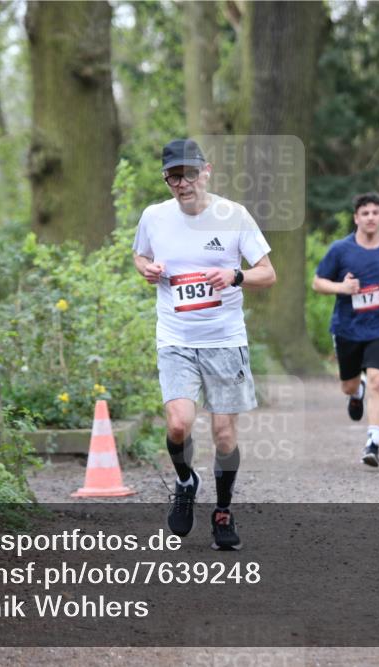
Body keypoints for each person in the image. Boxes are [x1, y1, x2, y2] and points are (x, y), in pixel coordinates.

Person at [132, 138, 276, 550]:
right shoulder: (154, 217)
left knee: (224, 434)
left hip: (225, 340)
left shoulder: (234, 216)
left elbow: (268, 272)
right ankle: (184, 480)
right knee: (178, 424)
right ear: (165, 179)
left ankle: (223, 510)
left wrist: (236, 277)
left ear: (206, 171)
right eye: (173, 176)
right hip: (175, 337)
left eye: (189, 173)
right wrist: (148, 268)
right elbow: (139, 256)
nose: (182, 183)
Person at [312, 192, 379, 468]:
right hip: (348, 328)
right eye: (364, 213)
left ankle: (373, 443)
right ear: (356, 218)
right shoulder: (340, 250)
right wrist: (341, 287)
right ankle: (357, 393)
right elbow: (317, 283)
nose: (370, 217)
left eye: (375, 212)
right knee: (348, 385)